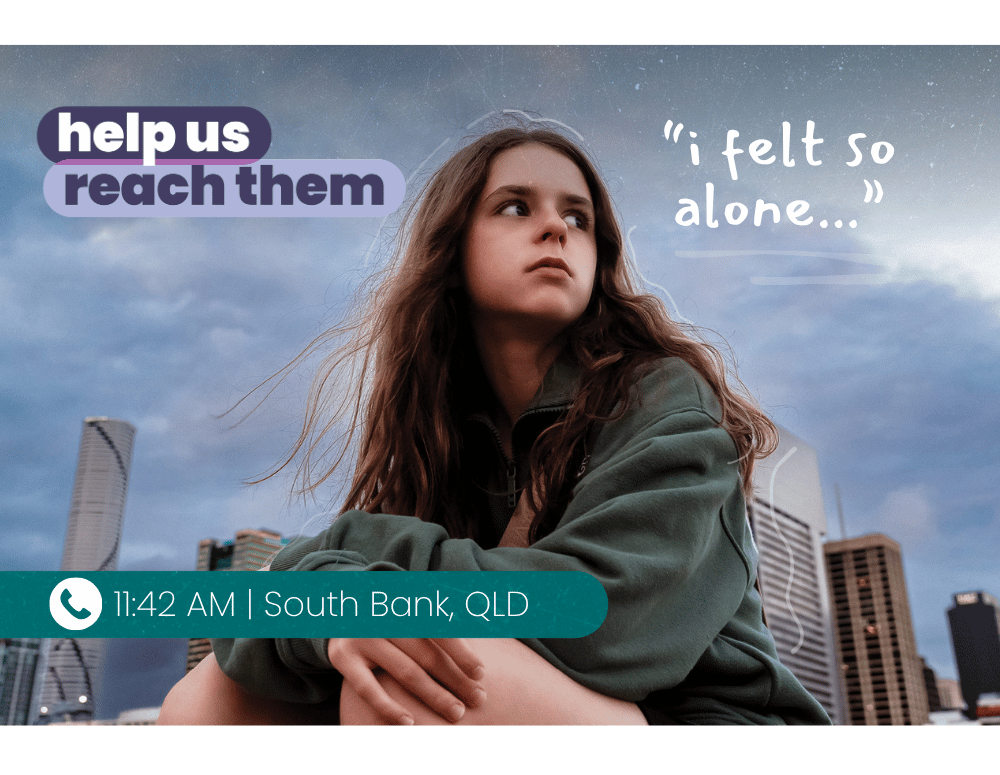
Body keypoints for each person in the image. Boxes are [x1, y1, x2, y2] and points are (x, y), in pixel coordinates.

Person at [159, 125, 831, 726]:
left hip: (710, 724)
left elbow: (592, 616)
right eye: (516, 206)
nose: (556, 228)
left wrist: (354, 553)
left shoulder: (660, 392)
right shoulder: (439, 436)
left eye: (578, 217)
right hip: (554, 714)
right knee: (208, 699)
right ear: (453, 249)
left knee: (418, 676)